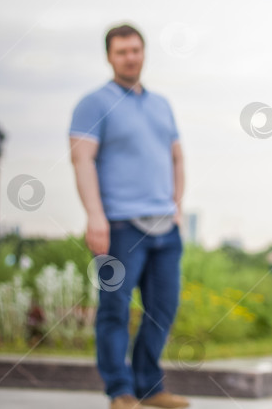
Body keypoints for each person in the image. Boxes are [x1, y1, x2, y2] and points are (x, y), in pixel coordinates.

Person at [70, 24, 188, 409]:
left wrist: (178, 207)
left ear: (143, 53)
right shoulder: (93, 103)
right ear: (109, 56)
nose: (130, 57)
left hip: (165, 227)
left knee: (163, 309)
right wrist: (95, 217)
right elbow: (82, 159)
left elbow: (176, 156)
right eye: (122, 51)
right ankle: (120, 392)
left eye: (135, 50)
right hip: (120, 226)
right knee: (115, 311)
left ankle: (150, 388)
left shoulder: (161, 105)